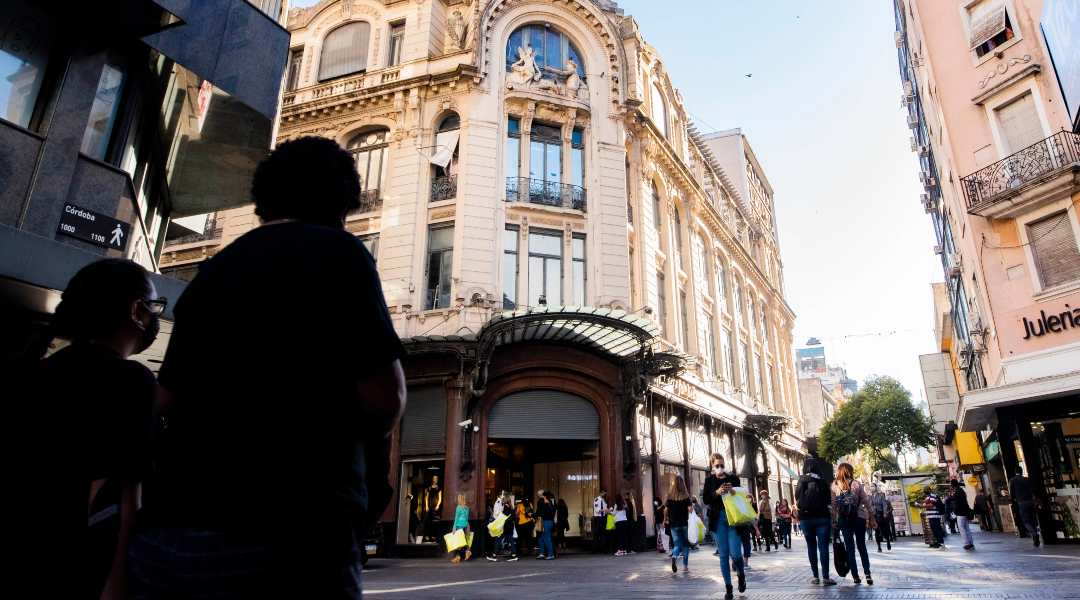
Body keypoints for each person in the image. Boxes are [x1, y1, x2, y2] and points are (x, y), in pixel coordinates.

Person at [127, 138, 407, 598]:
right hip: (289, 530)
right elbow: (385, 400)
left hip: (169, 536)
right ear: (343, 202)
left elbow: (165, 399)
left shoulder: (212, 272)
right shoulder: (337, 251)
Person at [6, 258, 162, 599]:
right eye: (155, 307)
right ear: (137, 311)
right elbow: (113, 499)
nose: (156, 317)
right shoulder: (129, 381)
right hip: (62, 575)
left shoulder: (32, 376)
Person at [703, 453, 746, 599]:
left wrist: (732, 491)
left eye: (722, 465)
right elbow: (706, 498)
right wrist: (717, 492)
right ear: (712, 466)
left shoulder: (733, 478)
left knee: (736, 555)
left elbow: (742, 495)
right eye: (717, 466)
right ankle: (728, 587)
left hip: (733, 518)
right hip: (718, 519)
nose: (720, 468)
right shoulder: (709, 480)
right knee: (723, 555)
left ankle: (741, 573)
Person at [831, 463, 875, 585]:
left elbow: (834, 506)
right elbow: (866, 502)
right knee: (862, 547)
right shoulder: (856, 484)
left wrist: (834, 521)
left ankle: (855, 576)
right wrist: (872, 519)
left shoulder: (834, 485)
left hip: (843, 520)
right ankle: (867, 574)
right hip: (858, 517)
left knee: (850, 548)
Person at [796, 458, 836, 586]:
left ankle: (815, 576)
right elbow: (829, 500)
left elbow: (797, 497)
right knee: (823, 547)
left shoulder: (800, 482)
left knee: (811, 547)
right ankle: (825, 577)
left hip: (805, 519)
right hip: (821, 517)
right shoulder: (821, 482)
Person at [664, 475, 693, 574]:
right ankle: (685, 566)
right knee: (685, 545)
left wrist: (665, 519)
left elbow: (666, 510)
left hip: (674, 525)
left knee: (676, 545)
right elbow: (690, 509)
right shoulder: (686, 496)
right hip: (684, 523)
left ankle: (674, 556)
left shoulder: (670, 497)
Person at [1008, 468, 1041, 547]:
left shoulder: (1012, 480)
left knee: (1026, 520)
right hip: (1031, 501)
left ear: (1015, 472)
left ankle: (1034, 534)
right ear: (1022, 471)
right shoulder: (1027, 480)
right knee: (1033, 519)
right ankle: (1035, 538)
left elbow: (1011, 493)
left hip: (1022, 502)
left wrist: (1016, 498)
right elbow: (1034, 489)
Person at [489, 493, 517, 561]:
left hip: (505, 527)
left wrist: (502, 511)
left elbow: (505, 516)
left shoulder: (506, 507)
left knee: (499, 540)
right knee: (511, 540)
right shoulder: (510, 506)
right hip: (509, 526)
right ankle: (513, 555)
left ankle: (494, 555)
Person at [950, 480, 976, 550]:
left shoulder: (957, 492)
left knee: (961, 527)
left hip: (960, 512)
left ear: (952, 484)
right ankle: (970, 543)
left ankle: (966, 543)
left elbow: (957, 502)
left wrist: (955, 511)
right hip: (965, 511)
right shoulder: (961, 490)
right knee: (966, 527)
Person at [869, 483, 892, 552]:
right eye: (871, 487)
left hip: (881, 514)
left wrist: (885, 512)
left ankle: (888, 540)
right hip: (874, 515)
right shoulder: (870, 497)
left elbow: (884, 504)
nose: (872, 488)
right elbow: (869, 507)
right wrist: (869, 517)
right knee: (876, 531)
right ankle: (879, 546)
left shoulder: (881, 496)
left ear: (876, 487)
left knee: (884, 530)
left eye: (873, 486)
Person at [451, 493, 472, 562]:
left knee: (459, 541)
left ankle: (466, 551)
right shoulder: (467, 507)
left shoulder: (458, 507)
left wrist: (454, 528)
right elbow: (467, 517)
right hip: (465, 525)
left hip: (459, 525)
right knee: (460, 541)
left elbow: (456, 518)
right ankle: (458, 556)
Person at [535, 493, 556, 560]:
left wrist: (534, 515)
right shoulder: (550, 504)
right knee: (546, 537)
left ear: (545, 496)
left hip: (546, 522)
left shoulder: (545, 504)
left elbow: (543, 514)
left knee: (546, 538)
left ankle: (550, 554)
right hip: (550, 521)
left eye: (542, 496)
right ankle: (548, 553)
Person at [593, 489, 611, 553]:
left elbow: (605, 509)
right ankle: (595, 548)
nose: (604, 495)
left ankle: (602, 548)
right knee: (597, 533)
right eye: (603, 493)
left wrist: (608, 510)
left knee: (603, 533)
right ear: (600, 493)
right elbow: (597, 509)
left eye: (605, 493)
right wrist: (604, 510)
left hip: (603, 517)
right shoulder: (596, 500)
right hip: (598, 518)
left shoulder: (604, 501)